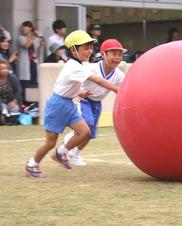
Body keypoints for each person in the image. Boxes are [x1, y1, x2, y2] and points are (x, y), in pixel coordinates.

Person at [24, 30, 119, 178]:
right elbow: (98, 80)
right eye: (85, 48)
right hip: (57, 105)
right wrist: (116, 89)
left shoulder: (79, 65)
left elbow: (70, 86)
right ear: (73, 50)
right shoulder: (74, 66)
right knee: (50, 142)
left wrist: (80, 93)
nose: (89, 51)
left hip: (68, 103)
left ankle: (60, 153)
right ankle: (32, 164)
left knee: (85, 132)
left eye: (90, 47)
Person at [64, 39, 126, 165]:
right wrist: (77, 94)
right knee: (87, 125)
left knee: (90, 134)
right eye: (113, 54)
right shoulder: (90, 68)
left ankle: (74, 154)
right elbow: (75, 79)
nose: (117, 58)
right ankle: (71, 137)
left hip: (97, 103)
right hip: (84, 100)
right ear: (103, 54)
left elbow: (127, 87)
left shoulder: (119, 75)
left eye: (120, 54)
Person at [16, 21, 45, 101]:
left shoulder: (34, 39)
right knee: (24, 86)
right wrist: (34, 35)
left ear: (30, 28)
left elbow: (37, 53)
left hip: (33, 64)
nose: (23, 29)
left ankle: (32, 104)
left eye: (25, 27)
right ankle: (24, 104)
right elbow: (26, 45)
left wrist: (41, 45)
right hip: (25, 65)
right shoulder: (20, 38)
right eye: (22, 27)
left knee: (34, 86)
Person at [0, 60, 22, 125]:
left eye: (6, 68)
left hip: (12, 101)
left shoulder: (12, 77)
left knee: (14, 109)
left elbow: (19, 90)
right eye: (2, 69)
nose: (4, 70)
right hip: (1, 103)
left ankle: (12, 121)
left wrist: (14, 101)